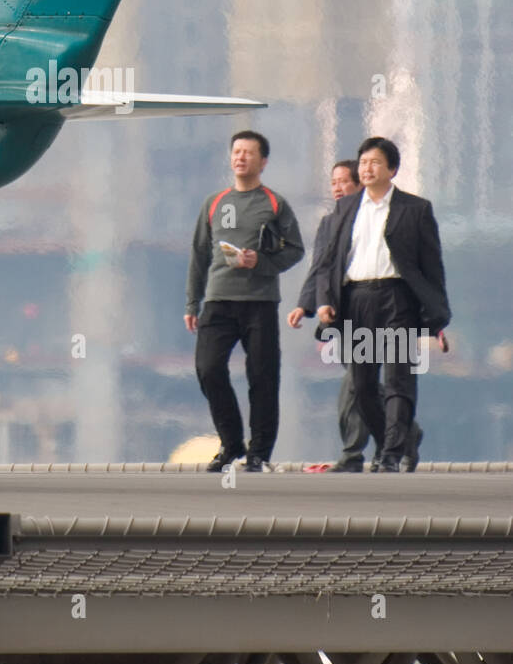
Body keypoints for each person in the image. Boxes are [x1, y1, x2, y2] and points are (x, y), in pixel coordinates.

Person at [315, 137, 450, 473]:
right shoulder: (347, 208)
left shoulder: (415, 209)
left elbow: (432, 268)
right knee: (362, 385)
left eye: (375, 162)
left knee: (398, 379)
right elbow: (329, 262)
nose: (367, 168)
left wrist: (436, 318)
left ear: (391, 169)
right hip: (358, 300)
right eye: (363, 162)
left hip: (397, 300)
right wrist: (324, 302)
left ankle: (390, 454)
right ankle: (398, 441)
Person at [288, 159, 423, 473]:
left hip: (382, 309)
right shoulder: (330, 222)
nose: (336, 188)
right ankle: (405, 434)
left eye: (342, 182)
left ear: (360, 185)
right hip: (346, 314)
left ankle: (353, 454)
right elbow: (320, 269)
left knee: (357, 385)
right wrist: (306, 306)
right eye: (333, 182)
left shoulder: (377, 220)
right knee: (363, 384)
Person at [185, 130, 305, 473]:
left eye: (248, 153)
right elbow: (198, 255)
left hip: (260, 303)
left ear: (262, 161)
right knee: (208, 369)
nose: (241, 158)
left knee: (263, 377)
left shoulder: (274, 203)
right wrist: (192, 304)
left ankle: (259, 452)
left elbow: (295, 249)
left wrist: (262, 263)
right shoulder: (214, 202)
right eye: (236, 151)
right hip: (218, 301)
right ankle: (231, 442)